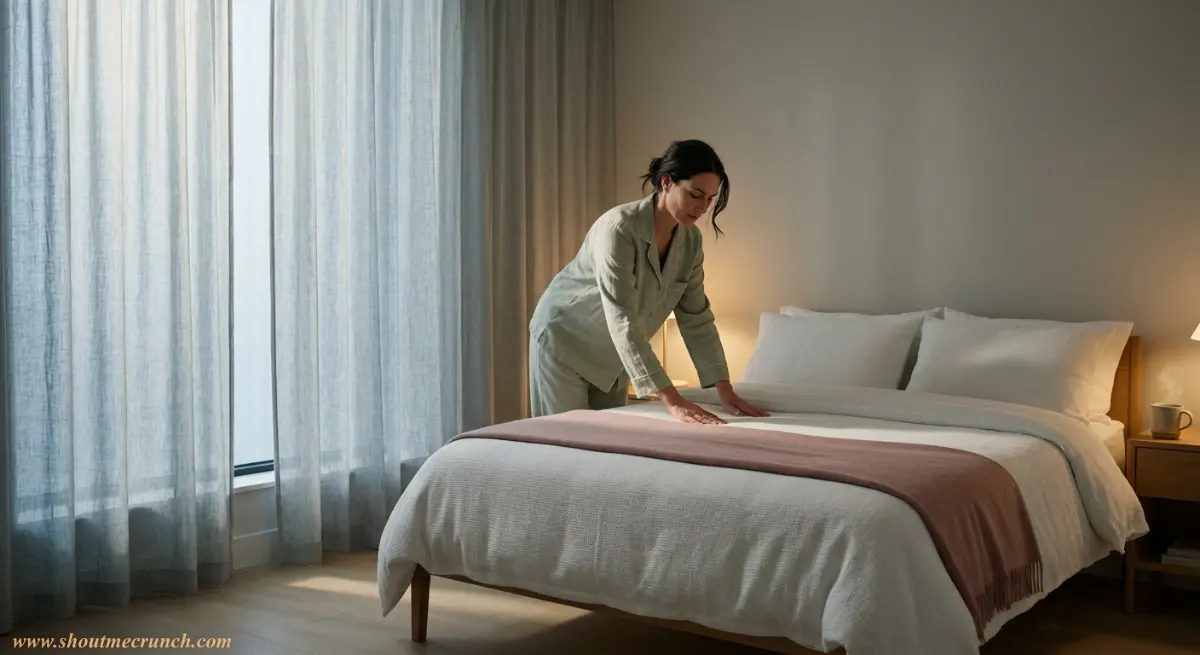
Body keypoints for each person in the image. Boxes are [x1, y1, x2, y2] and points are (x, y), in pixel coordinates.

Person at [527, 139, 768, 424]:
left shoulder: (691, 242)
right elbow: (622, 319)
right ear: (666, 182)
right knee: (565, 444)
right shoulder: (619, 228)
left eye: (710, 199)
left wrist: (724, 389)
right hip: (566, 342)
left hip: (615, 357)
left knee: (611, 449)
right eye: (695, 194)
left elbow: (696, 317)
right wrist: (673, 401)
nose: (702, 207)